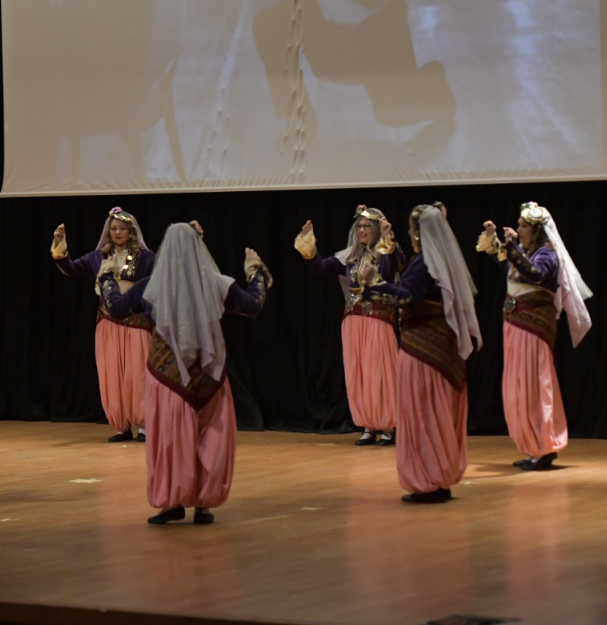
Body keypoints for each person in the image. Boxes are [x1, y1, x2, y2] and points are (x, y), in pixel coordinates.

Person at [99, 221, 270, 524]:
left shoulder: (150, 286)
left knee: (169, 439)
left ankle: (172, 502)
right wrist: (255, 271)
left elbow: (115, 308)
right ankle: (202, 504)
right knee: (209, 438)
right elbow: (254, 305)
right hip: (210, 376)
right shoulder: (218, 284)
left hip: (167, 379)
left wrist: (109, 277)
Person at [363, 203, 481, 504]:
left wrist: (373, 285)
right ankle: (441, 476)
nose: (410, 233)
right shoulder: (443, 261)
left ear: (418, 231)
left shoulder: (425, 261)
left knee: (423, 412)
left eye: (411, 229)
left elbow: (410, 296)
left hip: (422, 352)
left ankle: (429, 480)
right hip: (445, 349)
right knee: (439, 411)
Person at [477, 201, 593, 471]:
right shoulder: (529, 253)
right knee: (520, 387)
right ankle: (533, 447)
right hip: (516, 328)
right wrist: (495, 242)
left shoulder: (547, 255)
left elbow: (536, 275)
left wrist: (511, 247)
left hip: (532, 330)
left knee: (534, 385)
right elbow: (513, 271)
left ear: (536, 230)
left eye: (523, 226)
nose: (518, 229)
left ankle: (544, 445)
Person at [295, 205, 406, 444]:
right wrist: (308, 245)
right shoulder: (350, 256)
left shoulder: (388, 253)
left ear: (376, 228)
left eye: (367, 226)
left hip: (378, 319)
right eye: (359, 226)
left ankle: (387, 424)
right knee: (359, 373)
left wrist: (388, 240)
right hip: (352, 321)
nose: (363, 230)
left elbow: (388, 273)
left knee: (380, 372)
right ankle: (368, 425)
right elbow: (320, 269)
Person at [52, 206, 156, 442]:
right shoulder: (98, 257)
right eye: (114, 229)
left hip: (136, 322)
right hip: (108, 323)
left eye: (122, 228)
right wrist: (60, 243)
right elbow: (71, 268)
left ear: (131, 231)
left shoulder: (147, 257)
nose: (118, 232)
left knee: (137, 374)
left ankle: (144, 426)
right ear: (108, 232)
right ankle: (121, 426)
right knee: (112, 374)